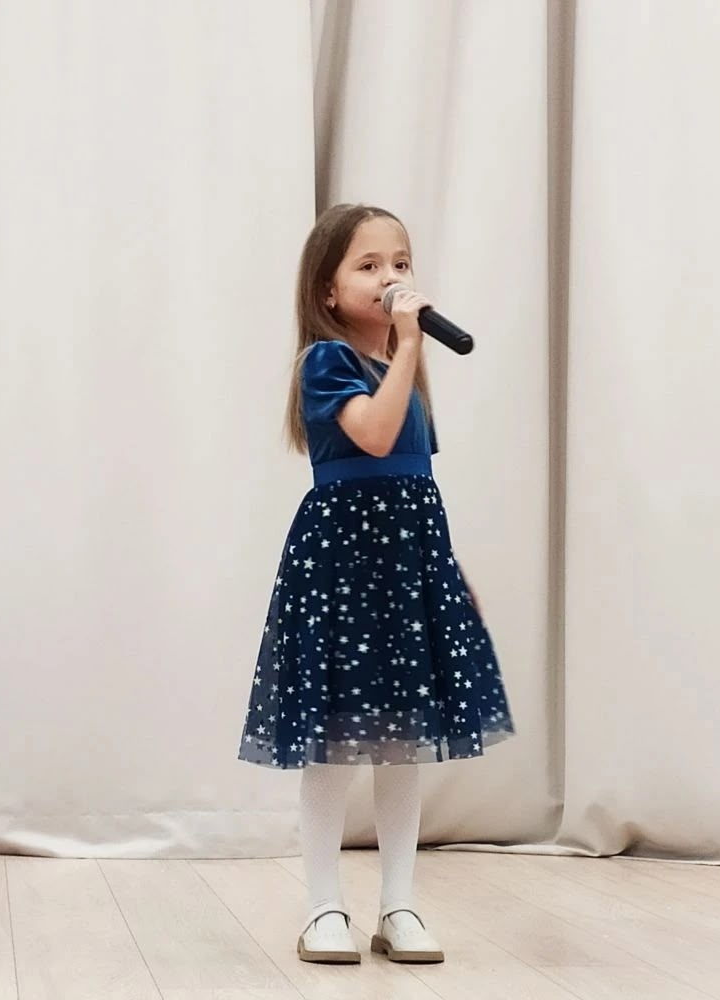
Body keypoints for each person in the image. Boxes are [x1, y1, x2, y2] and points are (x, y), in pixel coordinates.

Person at [238, 203, 514, 965]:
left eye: (400, 262)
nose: (390, 277)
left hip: (405, 570)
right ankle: (324, 908)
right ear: (327, 290)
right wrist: (409, 343)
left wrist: (448, 574)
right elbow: (373, 435)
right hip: (342, 571)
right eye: (368, 266)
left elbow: (415, 486)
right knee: (332, 744)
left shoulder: (403, 377)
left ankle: (400, 904)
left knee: (401, 745)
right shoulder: (327, 362)